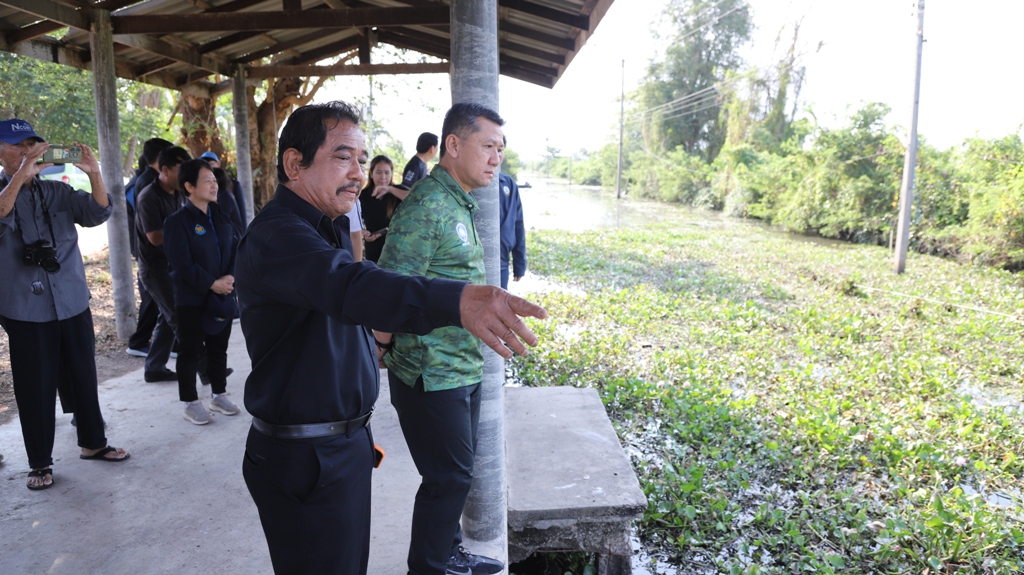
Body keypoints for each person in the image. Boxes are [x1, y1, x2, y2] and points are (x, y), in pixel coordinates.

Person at [235, 100, 546, 575]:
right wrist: (457, 301)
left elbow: (349, 308)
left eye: (362, 160)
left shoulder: (330, 226)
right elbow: (354, 286)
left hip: (343, 446)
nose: (359, 173)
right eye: (344, 157)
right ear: (295, 163)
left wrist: (373, 351)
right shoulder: (280, 236)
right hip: (305, 455)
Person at [376, 103, 509, 575]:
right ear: (453, 145)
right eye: (487, 146)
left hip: (462, 365)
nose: (496, 158)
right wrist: (380, 349)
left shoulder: (458, 200)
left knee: (455, 476)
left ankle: (447, 552)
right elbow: (388, 291)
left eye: (500, 149)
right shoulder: (428, 204)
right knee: (448, 477)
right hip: (430, 372)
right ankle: (429, 568)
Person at [0, 118, 130, 490]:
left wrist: (94, 174)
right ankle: (40, 462)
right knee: (34, 385)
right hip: (25, 307)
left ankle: (93, 444)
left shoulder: (56, 191)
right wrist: (21, 175)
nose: (27, 152)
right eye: (17, 145)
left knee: (83, 375)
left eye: (32, 145)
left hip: (71, 299)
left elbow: (97, 212)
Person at [163, 159, 240, 425]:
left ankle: (218, 395)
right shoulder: (177, 222)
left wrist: (230, 276)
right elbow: (181, 264)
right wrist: (211, 283)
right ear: (189, 186)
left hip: (222, 294)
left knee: (219, 348)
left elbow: (234, 247)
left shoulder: (220, 214)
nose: (214, 184)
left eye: (215, 180)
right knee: (191, 351)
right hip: (192, 298)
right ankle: (190, 403)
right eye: (207, 180)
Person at [135, 145, 191, 382]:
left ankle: (154, 367)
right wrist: (182, 228)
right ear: (165, 170)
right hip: (154, 269)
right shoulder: (149, 196)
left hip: (172, 264)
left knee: (167, 319)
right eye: (181, 171)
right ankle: (206, 369)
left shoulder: (178, 192)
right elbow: (154, 237)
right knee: (179, 317)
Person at [126, 138, 174, 357]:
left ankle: (155, 360)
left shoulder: (158, 181)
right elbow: (152, 231)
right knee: (158, 303)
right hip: (151, 256)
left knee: (164, 310)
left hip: (160, 256)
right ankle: (138, 342)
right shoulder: (148, 183)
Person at [358, 155, 405, 263]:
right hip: (374, 248)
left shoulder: (397, 191)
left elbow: (417, 198)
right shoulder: (363, 195)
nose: (383, 177)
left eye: (387, 172)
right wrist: (363, 232)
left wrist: (389, 189)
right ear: (371, 174)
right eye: (378, 172)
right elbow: (354, 220)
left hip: (397, 248)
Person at [498, 149, 526, 290]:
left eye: (499, 150)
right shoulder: (471, 184)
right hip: (474, 262)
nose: (495, 155)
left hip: (502, 262)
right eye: (488, 146)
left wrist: (519, 263)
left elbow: (518, 224)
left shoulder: (508, 184)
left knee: (499, 303)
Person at [200, 151, 248, 232]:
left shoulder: (232, 186)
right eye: (204, 164)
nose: (208, 167)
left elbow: (241, 213)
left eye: (210, 163)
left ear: (218, 164)